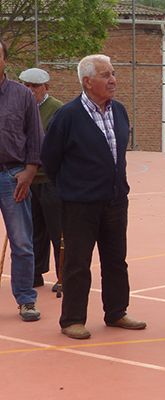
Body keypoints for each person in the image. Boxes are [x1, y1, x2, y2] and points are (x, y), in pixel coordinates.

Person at [42, 54, 146, 339]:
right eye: (105, 75)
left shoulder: (119, 111)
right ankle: (72, 319)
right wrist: (72, 189)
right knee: (77, 263)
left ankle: (116, 312)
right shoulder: (67, 116)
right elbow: (50, 159)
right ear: (87, 82)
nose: (113, 80)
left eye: (113, 73)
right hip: (79, 204)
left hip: (115, 201)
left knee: (116, 260)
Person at [0, 40, 42, 322]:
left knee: (22, 242)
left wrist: (29, 171)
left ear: (5, 60)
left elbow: (36, 136)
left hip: (12, 176)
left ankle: (26, 299)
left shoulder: (22, 95)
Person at [19, 67, 64, 292]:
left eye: (35, 86)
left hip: (50, 179)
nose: (30, 90)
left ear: (46, 87)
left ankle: (64, 276)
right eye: (26, 85)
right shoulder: (21, 107)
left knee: (58, 230)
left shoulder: (57, 109)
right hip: (28, 179)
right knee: (33, 230)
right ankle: (35, 273)